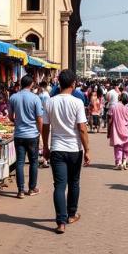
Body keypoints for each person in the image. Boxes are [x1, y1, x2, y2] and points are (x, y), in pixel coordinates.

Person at [42, 69, 91, 234]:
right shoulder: (77, 102)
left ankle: (61, 222)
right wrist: (88, 150)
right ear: (73, 84)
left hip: (57, 148)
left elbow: (45, 127)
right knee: (74, 182)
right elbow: (82, 129)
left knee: (59, 186)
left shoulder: (50, 102)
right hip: (74, 149)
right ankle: (71, 214)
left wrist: (45, 147)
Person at [9, 74, 44, 199]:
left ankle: (20, 191)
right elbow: (39, 119)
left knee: (20, 162)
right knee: (33, 162)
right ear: (31, 84)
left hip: (19, 134)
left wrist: (18, 122)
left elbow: (10, 116)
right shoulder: (35, 98)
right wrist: (40, 133)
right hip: (32, 134)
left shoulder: (13, 97)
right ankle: (32, 188)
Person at [109, 92, 128, 170]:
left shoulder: (114, 107)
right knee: (126, 147)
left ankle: (118, 163)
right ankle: (124, 162)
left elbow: (110, 120)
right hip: (127, 130)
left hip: (116, 130)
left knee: (118, 147)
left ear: (119, 98)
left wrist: (108, 130)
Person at [37, 80, 52, 167]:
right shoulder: (47, 96)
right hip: (45, 118)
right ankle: (45, 159)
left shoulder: (38, 95)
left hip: (39, 117)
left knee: (41, 138)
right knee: (46, 139)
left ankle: (44, 158)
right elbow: (48, 108)